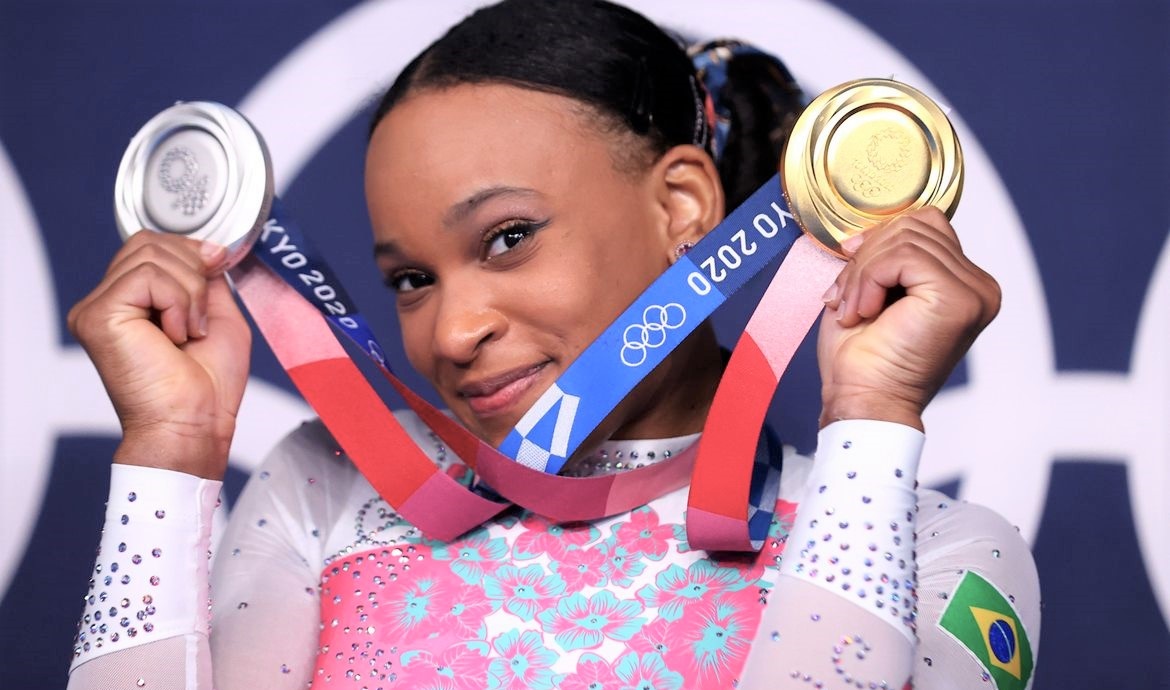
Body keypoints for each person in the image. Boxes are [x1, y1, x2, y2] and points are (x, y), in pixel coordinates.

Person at [65, 0, 1040, 688]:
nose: (451, 330)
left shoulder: (943, 556)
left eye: (508, 238)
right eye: (412, 279)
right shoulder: (323, 492)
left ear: (684, 208)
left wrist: (870, 423)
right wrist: (169, 449)